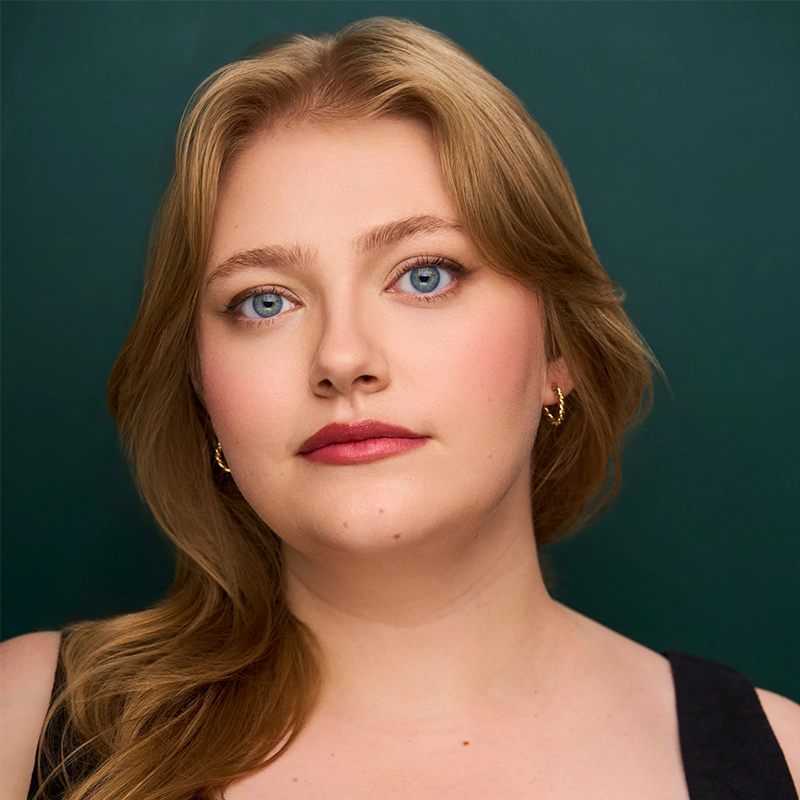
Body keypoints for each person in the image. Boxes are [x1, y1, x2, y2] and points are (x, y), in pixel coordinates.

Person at [2, 16, 798, 800]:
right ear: (204, 392)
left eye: (425, 275)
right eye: (264, 300)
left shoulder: (783, 762)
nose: (342, 358)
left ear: (560, 353)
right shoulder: (22, 723)